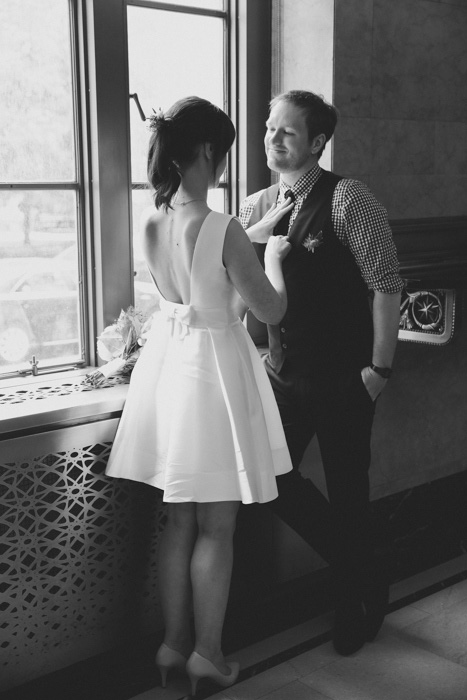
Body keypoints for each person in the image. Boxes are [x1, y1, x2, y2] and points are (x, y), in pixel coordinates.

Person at [105, 96, 293, 694]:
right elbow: (267, 307)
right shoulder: (224, 229)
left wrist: (246, 236)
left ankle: (172, 646)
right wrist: (276, 255)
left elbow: (200, 281)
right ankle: (208, 654)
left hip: (171, 371)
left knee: (177, 523)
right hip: (215, 377)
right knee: (217, 528)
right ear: (208, 151)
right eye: (224, 153)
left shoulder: (152, 221)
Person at [240, 89, 404, 656]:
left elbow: (387, 285)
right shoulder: (255, 206)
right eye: (268, 128)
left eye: (287, 132)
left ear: (317, 142)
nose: (272, 138)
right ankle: (366, 568)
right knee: (270, 481)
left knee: (348, 489)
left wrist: (379, 369)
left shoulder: (347, 199)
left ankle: (349, 606)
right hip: (284, 377)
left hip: (345, 376)